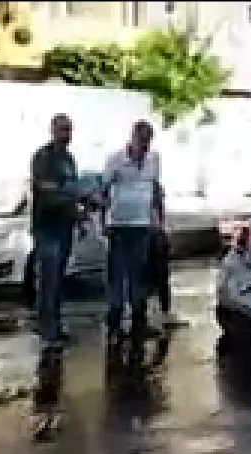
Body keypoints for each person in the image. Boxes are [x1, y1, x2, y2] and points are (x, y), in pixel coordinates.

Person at [102, 120, 165, 344]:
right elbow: (104, 191)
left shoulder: (153, 160)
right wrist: (104, 223)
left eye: (148, 141)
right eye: (142, 141)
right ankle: (114, 326)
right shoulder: (115, 160)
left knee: (139, 275)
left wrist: (158, 220)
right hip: (119, 224)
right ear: (133, 137)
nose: (145, 146)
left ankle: (139, 322)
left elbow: (156, 190)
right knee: (118, 276)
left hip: (142, 225)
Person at [30, 113, 79, 348]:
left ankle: (56, 326)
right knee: (48, 279)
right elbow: (45, 189)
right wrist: (69, 196)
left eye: (68, 130)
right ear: (52, 131)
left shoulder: (69, 159)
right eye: (62, 130)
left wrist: (78, 211)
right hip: (47, 227)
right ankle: (46, 328)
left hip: (65, 227)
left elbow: (71, 189)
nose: (66, 135)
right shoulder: (44, 157)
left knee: (58, 279)